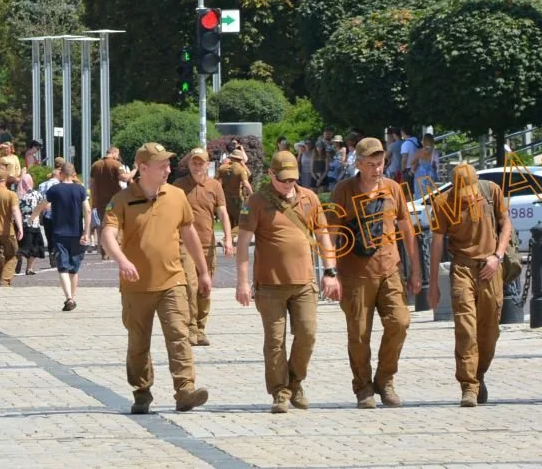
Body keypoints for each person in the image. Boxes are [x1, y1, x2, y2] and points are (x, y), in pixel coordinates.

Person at [101, 142, 211, 415]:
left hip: (173, 280)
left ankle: (185, 390)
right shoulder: (122, 199)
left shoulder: (176, 196)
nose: (168, 169)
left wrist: (203, 270)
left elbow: (189, 233)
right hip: (136, 287)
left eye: (169, 165)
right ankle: (141, 391)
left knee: (179, 335)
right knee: (139, 343)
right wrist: (122, 261)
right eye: (162, 165)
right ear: (143, 168)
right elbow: (107, 235)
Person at [237, 149, 340, 413]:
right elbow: (244, 243)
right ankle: (280, 392)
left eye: (292, 179)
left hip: (304, 282)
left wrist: (330, 271)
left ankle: (295, 381)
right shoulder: (257, 201)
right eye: (283, 179)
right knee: (275, 341)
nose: (288, 184)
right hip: (270, 285)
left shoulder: (310, 198)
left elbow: (323, 235)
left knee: (307, 334)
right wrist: (242, 281)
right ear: (271, 174)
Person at [327, 135, 420, 408]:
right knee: (359, 334)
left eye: (380, 164)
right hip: (355, 274)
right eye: (371, 164)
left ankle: (385, 379)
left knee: (400, 322)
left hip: (390, 270)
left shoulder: (393, 189)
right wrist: (330, 272)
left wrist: (415, 269)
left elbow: (406, 228)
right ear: (359, 163)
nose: (377, 169)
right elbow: (330, 233)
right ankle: (363, 388)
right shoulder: (344, 191)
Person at [427, 161, 512, 406]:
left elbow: (506, 223)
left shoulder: (491, 191)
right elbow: (436, 244)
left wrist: (497, 256)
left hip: (490, 267)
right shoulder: (443, 204)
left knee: (490, 330)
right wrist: (432, 284)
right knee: (465, 327)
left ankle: (479, 374)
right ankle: (468, 386)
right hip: (462, 267)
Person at [174, 148, 233, 346]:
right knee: (190, 286)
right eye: (194, 162)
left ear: (208, 165)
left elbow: (223, 213)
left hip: (208, 244)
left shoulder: (215, 186)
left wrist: (228, 237)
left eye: (201, 163)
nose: (197, 166)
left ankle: (200, 328)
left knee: (205, 288)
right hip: (185, 245)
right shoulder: (179, 186)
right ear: (189, 164)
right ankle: (190, 327)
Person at [43, 159, 88, 311]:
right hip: (77, 232)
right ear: (74, 173)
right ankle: (72, 298)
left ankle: (68, 297)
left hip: (59, 232)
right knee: (74, 268)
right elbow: (87, 210)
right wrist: (86, 231)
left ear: (61, 174)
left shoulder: (55, 189)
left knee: (62, 266)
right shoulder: (80, 189)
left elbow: (43, 204)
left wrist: (32, 217)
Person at [88, 146, 122, 254]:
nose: (118, 157)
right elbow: (124, 178)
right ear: (114, 153)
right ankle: (117, 246)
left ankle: (104, 248)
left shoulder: (95, 165)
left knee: (103, 224)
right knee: (117, 223)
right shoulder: (117, 164)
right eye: (117, 154)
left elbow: (92, 184)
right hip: (115, 199)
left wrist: (93, 200)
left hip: (100, 200)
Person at [219, 145, 253, 238]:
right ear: (240, 159)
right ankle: (227, 238)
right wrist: (253, 196)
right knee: (244, 220)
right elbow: (246, 182)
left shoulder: (222, 168)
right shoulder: (241, 170)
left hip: (225, 199)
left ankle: (228, 239)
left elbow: (217, 183)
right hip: (238, 200)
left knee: (229, 221)